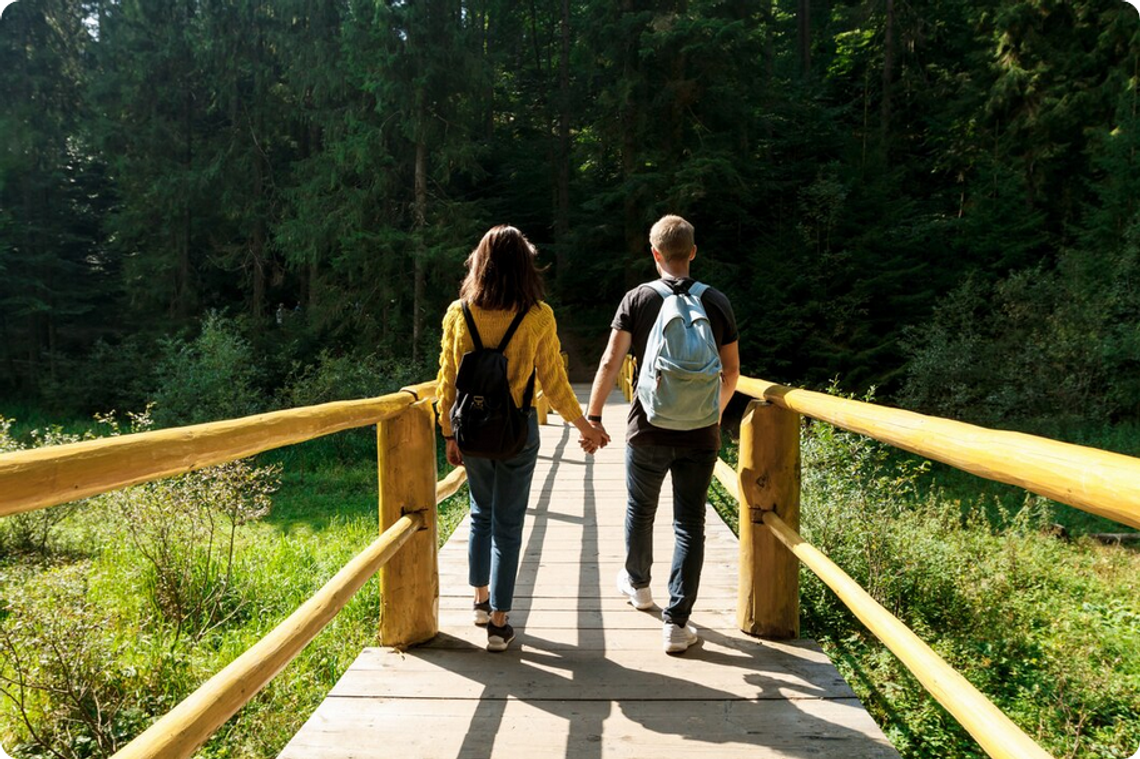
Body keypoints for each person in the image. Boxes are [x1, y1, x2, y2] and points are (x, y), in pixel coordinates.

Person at [436, 225, 607, 652]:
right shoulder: (537, 316)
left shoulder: (459, 313)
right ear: (524, 267)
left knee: (480, 513)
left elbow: (448, 379)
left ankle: (479, 600)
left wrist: (447, 431)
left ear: (479, 263)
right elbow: (554, 381)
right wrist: (585, 427)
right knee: (508, 524)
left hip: (471, 429)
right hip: (517, 431)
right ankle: (499, 622)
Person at [584, 215, 740, 653]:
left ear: (655, 254)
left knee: (641, 509)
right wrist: (710, 414)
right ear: (692, 252)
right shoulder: (717, 301)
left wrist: (594, 418)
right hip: (701, 434)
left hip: (647, 429)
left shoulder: (637, 298)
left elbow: (610, 364)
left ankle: (639, 586)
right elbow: (731, 372)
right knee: (690, 523)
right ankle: (676, 623)